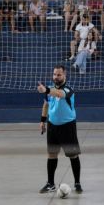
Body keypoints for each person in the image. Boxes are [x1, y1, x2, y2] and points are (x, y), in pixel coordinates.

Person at [37, 65, 83, 194]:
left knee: (73, 155)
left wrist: (46, 89)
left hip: (67, 126)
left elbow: (59, 94)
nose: (56, 77)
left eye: (59, 74)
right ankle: (50, 184)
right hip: (52, 126)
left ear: (64, 75)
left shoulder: (68, 90)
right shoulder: (49, 90)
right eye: (54, 74)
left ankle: (77, 183)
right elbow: (46, 105)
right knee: (52, 155)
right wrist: (42, 120)